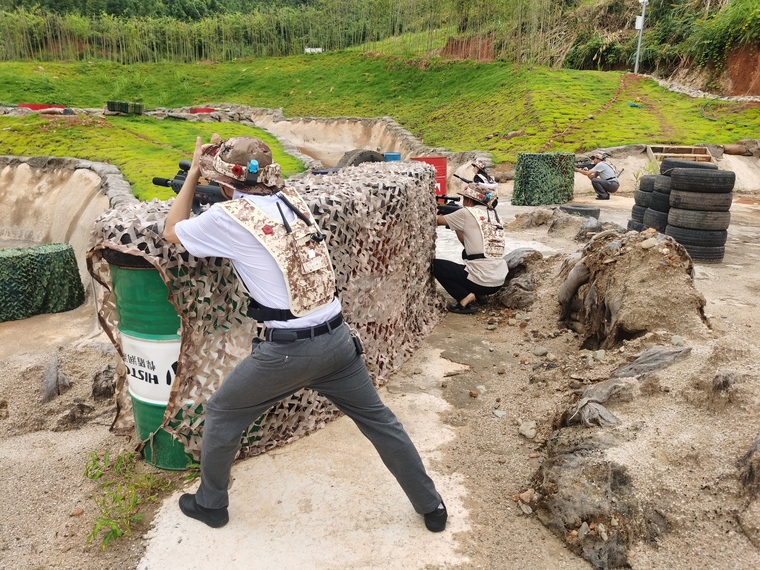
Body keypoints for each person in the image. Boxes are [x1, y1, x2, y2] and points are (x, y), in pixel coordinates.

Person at [163, 136, 447, 532]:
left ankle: (211, 504)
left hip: (287, 353)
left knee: (222, 413)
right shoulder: (292, 201)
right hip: (338, 341)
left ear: (225, 184)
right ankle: (432, 506)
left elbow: (172, 230)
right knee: (380, 423)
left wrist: (195, 172)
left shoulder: (227, 218)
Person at [433, 184, 508, 315]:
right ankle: (481, 296)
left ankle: (464, 297)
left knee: (435, 266)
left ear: (468, 200)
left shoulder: (466, 213)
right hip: (497, 282)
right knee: (468, 253)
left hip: (481, 281)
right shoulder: (495, 216)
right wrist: (456, 225)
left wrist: (435, 211)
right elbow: (467, 244)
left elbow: (436, 221)